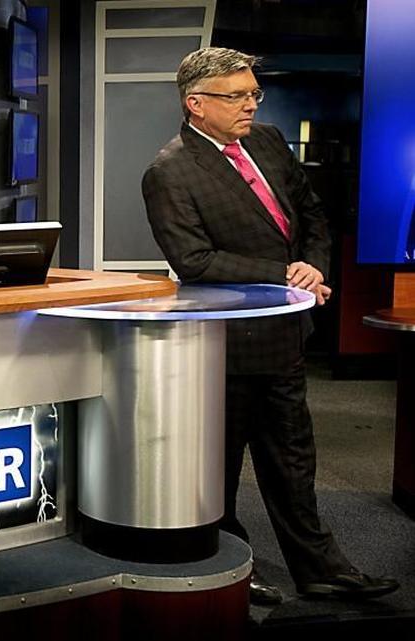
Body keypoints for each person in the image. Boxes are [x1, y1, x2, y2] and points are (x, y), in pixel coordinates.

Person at [141, 47, 399, 604]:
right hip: (226, 346)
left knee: (293, 459)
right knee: (222, 467)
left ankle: (321, 568)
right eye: (237, 96)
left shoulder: (269, 141)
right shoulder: (169, 171)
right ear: (196, 103)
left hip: (285, 336)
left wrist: (314, 266)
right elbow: (197, 262)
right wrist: (285, 274)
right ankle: (235, 568)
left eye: (254, 93)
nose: (251, 105)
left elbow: (312, 215)